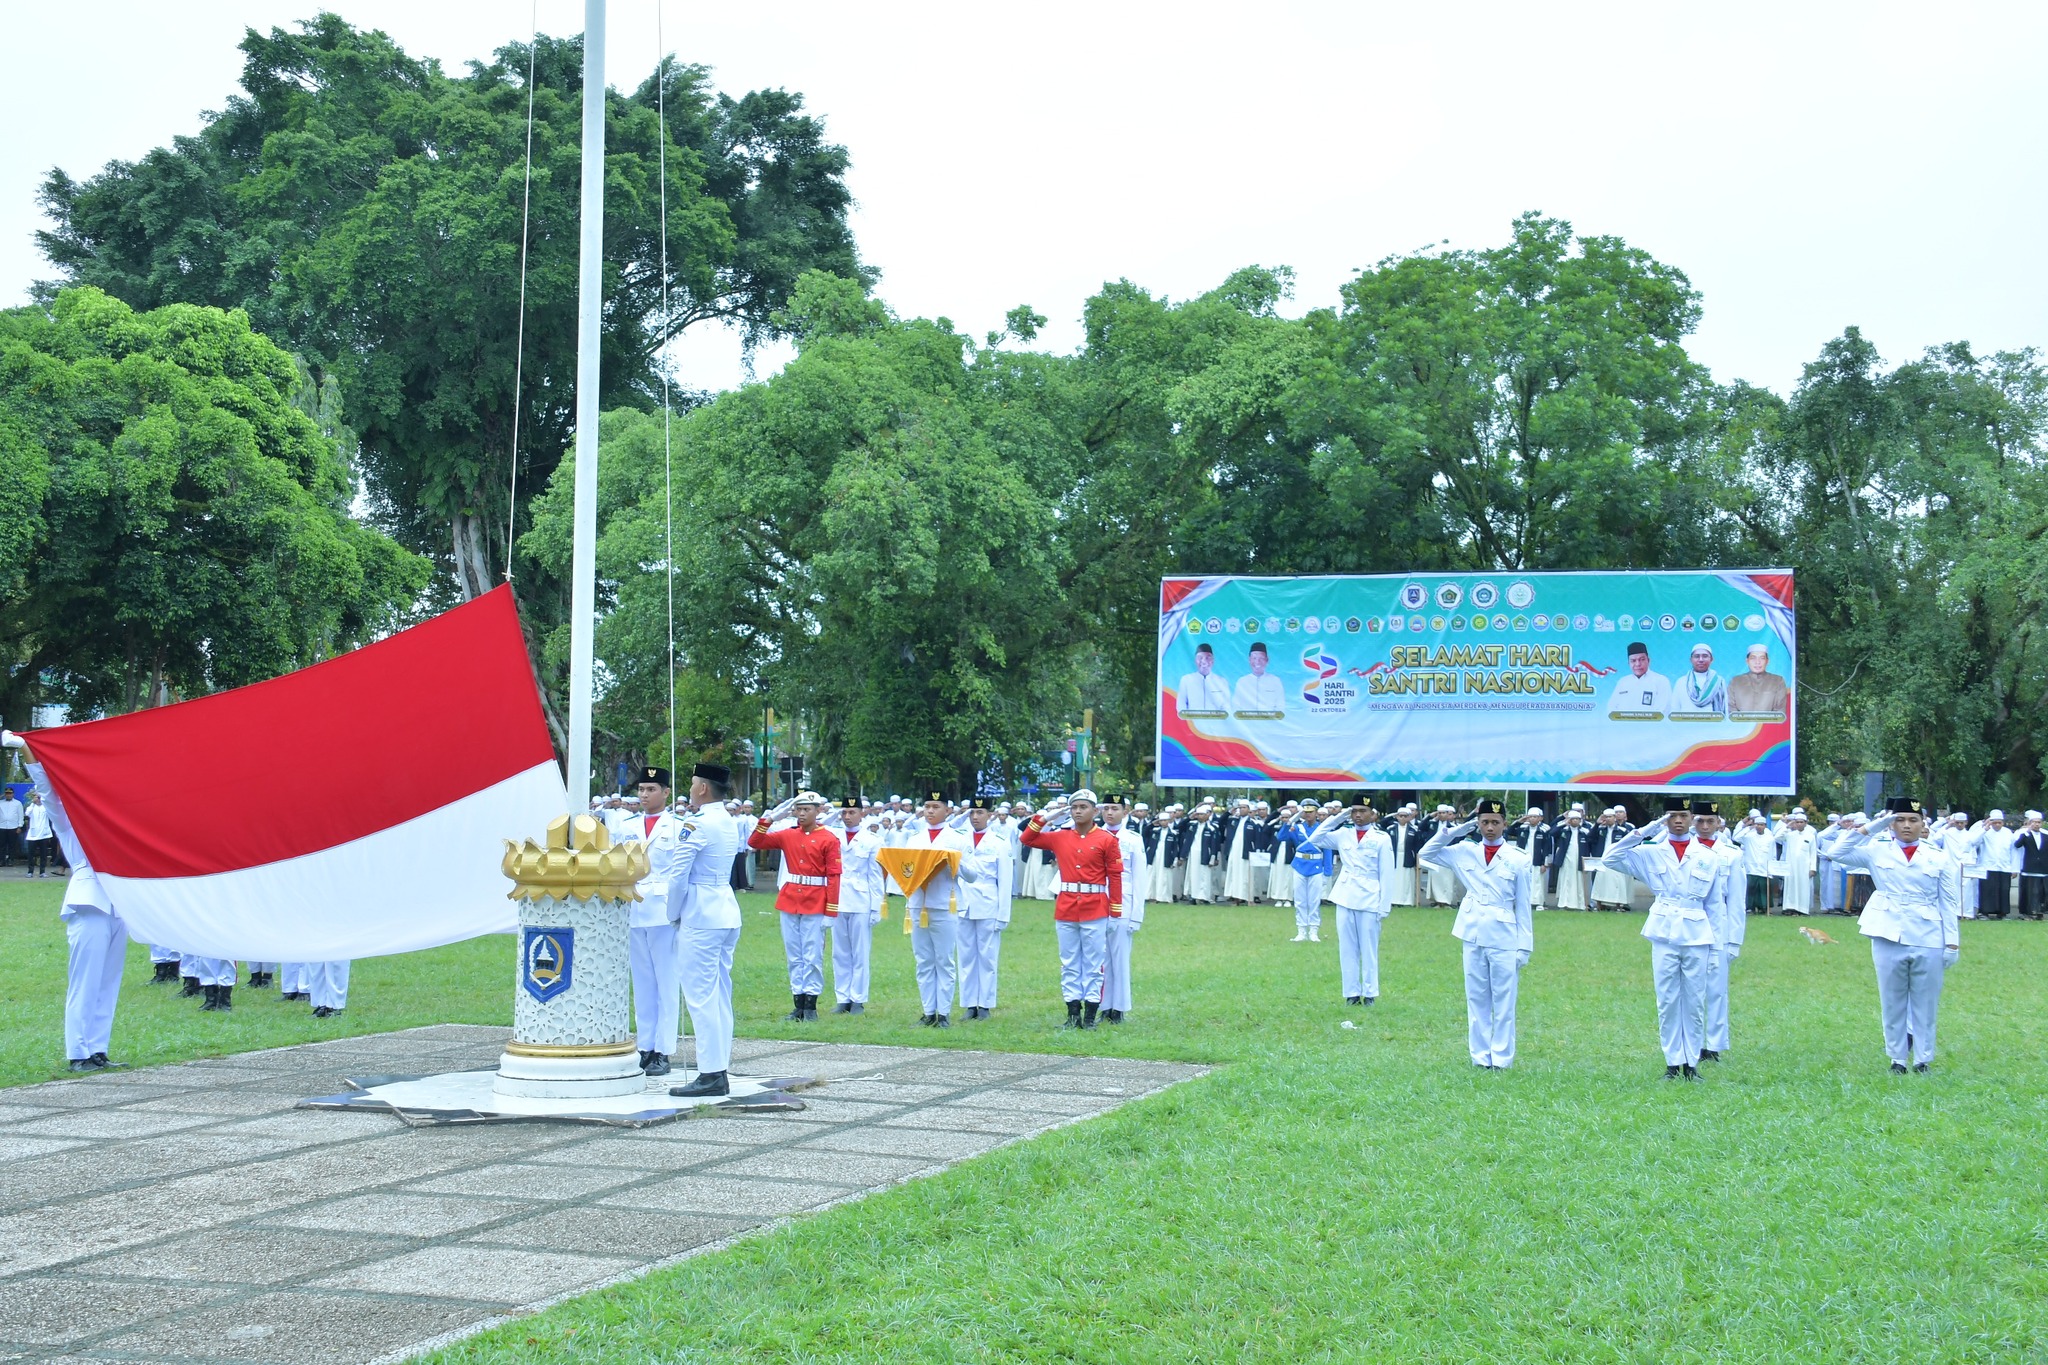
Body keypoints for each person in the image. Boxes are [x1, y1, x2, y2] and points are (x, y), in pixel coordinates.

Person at [7, 730, 126, 1071]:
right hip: (89, 904)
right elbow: (47, 790)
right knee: (86, 980)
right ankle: (78, 1052)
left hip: (119, 904)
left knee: (108, 980)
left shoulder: (118, 826)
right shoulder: (71, 822)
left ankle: (98, 1048)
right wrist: (29, 749)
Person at [1822, 798, 1960, 1073]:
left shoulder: (1938, 856)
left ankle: (1922, 1059)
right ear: (1891, 824)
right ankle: (1897, 1058)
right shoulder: (1876, 851)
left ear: (1923, 825)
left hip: (1928, 933)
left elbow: (1948, 901)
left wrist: (1952, 942)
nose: (1906, 825)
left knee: (1926, 1001)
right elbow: (1836, 852)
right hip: (1888, 932)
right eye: (1900, 819)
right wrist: (1874, 826)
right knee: (1892, 999)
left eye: (1913, 820)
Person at [1600, 798, 1727, 1080]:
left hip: (1697, 933)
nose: (1678, 821)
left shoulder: (1708, 857)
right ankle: (1672, 1062)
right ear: (1664, 820)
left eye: (1683, 815)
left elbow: (1716, 906)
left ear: (1692, 818)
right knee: (1667, 1000)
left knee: (1694, 1001)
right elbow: (1611, 858)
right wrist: (1646, 829)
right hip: (1664, 932)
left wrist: (1717, 947)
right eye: (1672, 816)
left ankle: (1691, 1063)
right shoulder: (1652, 852)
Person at [1421, 799, 1532, 1069]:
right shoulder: (1464, 851)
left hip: (1504, 934)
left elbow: (1524, 904)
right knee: (1477, 998)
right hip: (1471, 932)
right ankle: (1480, 1057)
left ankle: (1502, 1059)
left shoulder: (1518, 859)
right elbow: (1427, 852)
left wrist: (1524, 946)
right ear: (1477, 824)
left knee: (1504, 1002)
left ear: (1505, 824)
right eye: (1484, 822)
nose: (1490, 828)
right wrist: (1459, 829)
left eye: (1495, 822)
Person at [668, 762, 745, 1098]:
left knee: (701, 997)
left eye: (692, 783)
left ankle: (711, 1073)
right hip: (725, 908)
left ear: (702, 788)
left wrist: (673, 914)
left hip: (701, 913)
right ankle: (718, 1068)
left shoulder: (696, 823)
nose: (690, 788)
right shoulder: (727, 819)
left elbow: (678, 875)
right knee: (719, 995)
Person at [604, 766, 688, 1074]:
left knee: (666, 979)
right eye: (641, 789)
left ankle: (664, 1050)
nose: (644, 795)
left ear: (666, 792)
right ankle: (645, 1046)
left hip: (664, 909)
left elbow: (681, 872)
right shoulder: (626, 825)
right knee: (642, 982)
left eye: (651, 789)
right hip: (634, 908)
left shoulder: (678, 826)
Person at [1019, 790, 1124, 1029]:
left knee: (1093, 963)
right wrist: (1046, 817)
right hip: (1066, 907)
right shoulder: (1060, 836)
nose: (1077, 811)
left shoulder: (1107, 840)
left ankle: (1090, 1017)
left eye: (1083, 807)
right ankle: (1072, 1013)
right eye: (1074, 807)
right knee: (1068, 962)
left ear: (1095, 811)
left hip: (1095, 907)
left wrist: (1115, 912)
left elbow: (1115, 877)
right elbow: (1027, 839)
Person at [747, 790, 842, 1024]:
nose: (801, 814)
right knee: (794, 955)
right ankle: (797, 1004)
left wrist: (831, 910)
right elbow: (755, 842)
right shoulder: (788, 835)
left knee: (812, 954)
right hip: (791, 898)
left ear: (818, 811)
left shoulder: (828, 838)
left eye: (807, 809)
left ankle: (811, 1005)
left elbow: (834, 875)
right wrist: (769, 820)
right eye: (798, 809)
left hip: (816, 899)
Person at [1309, 797, 1398, 1005]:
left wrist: (1384, 905)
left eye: (1363, 811)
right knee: (1347, 948)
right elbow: (1315, 838)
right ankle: (1351, 993)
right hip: (1345, 895)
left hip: (1370, 897)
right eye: (1354, 811)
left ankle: (1370, 993)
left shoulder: (1381, 838)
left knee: (1368, 948)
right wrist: (1336, 817)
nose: (1358, 815)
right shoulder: (1343, 834)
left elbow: (1387, 873)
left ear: (1372, 814)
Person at [903, 792, 972, 1028]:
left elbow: (972, 875)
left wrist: (954, 861)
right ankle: (927, 1011)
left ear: (948, 810)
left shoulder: (957, 838)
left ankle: (943, 1013)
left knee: (943, 960)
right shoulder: (914, 839)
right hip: (918, 903)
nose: (930, 811)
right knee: (923, 960)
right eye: (927, 806)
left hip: (944, 903)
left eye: (936, 806)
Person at [1691, 805, 1745, 1061]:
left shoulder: (1731, 854)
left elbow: (1736, 900)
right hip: (1689, 919)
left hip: (1719, 923)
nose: (1704, 826)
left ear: (1718, 823)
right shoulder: (1684, 849)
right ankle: (1691, 1039)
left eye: (1709, 821)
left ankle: (1713, 1044)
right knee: (1690, 987)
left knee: (1716, 988)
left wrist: (1734, 940)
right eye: (1699, 821)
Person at [956, 796, 1015, 1020]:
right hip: (964, 904)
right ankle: (970, 1003)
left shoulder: (1000, 842)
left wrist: (1003, 915)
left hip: (989, 903)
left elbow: (1005, 881)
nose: (975, 817)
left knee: (987, 956)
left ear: (990, 815)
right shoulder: (961, 840)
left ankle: (986, 1004)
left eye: (980, 813)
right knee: (966, 956)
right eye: (972, 813)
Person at [828, 797, 887, 1014]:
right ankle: (842, 997)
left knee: (860, 952)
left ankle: (858, 999)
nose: (847, 816)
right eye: (844, 812)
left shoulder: (872, 839)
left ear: (862, 813)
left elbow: (876, 876)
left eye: (852, 812)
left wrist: (876, 906)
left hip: (861, 900)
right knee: (840, 952)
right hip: (838, 898)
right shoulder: (833, 835)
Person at [1098, 794, 1146, 1023]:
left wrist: (1136, 916)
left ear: (1125, 811)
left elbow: (1139, 879)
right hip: (1097, 901)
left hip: (1124, 903)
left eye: (1115, 808)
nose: (1109, 813)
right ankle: (1103, 1006)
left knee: (1120, 957)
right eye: (1106, 808)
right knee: (1099, 958)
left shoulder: (1133, 839)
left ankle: (1119, 1008)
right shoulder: (1094, 835)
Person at [1275, 810, 1331, 942]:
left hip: (1316, 866)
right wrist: (1288, 823)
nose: (1308, 814)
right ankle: (1301, 931)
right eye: (1305, 812)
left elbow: (1327, 850)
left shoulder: (1322, 828)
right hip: (1300, 865)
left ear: (1316, 813)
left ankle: (1313, 931)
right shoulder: (1297, 827)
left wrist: (1327, 872)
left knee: (1314, 900)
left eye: (1311, 811)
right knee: (1300, 900)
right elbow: (1281, 837)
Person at [1972, 810, 2018, 918]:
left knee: (2003, 890)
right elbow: (1974, 842)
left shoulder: (2008, 833)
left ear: (2003, 822)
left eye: (1999, 822)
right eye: (1994, 822)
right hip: (1988, 866)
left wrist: (2014, 868)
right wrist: (1984, 828)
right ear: (1990, 822)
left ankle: (2002, 913)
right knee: (1987, 890)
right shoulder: (1984, 832)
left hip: (2004, 866)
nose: (1997, 825)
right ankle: (1984, 912)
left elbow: (2013, 851)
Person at [1607, 642, 1672, 716]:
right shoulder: (1623, 682)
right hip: (1624, 726)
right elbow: (1611, 707)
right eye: (1633, 661)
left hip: (1652, 726)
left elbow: (1663, 709)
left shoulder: (1661, 680)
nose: (1638, 664)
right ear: (1628, 663)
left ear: (1648, 660)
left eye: (1642, 659)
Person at [1727, 643, 1791, 717]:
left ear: (1767, 661)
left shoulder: (1778, 681)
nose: (1757, 662)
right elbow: (1730, 708)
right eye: (1753, 658)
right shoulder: (1735, 681)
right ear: (1747, 661)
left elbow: (1780, 710)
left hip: (1769, 726)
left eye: (1762, 658)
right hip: (1741, 727)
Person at [1732, 809, 1776, 914]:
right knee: (1751, 888)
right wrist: (1748, 827)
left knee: (1764, 889)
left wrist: (1772, 866)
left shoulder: (1770, 837)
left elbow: (1773, 853)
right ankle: (1750, 907)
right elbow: (1736, 837)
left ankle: (1764, 908)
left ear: (1765, 825)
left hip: (1765, 867)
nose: (1759, 827)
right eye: (1757, 824)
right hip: (1751, 867)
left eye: (1761, 825)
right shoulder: (1748, 836)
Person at [1549, 807, 1593, 911]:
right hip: (1566, 860)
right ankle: (1564, 903)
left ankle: (1581, 904)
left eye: (1577, 819)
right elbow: (1551, 832)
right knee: (1566, 880)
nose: (1575, 821)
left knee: (1579, 882)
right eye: (1573, 819)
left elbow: (1592, 840)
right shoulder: (1563, 830)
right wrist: (1564, 822)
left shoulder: (1585, 831)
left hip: (1579, 860)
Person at [1667, 644, 1728, 717]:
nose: (1701, 660)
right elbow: (1674, 710)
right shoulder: (1681, 681)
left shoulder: (1719, 681)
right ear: (1691, 660)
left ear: (1711, 659)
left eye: (1705, 656)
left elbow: (1725, 709)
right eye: (1697, 656)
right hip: (1686, 726)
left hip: (1713, 726)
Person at [1776, 809, 1817, 914]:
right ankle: (1789, 908)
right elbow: (1777, 837)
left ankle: (1802, 909)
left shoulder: (1810, 836)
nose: (1799, 824)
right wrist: (1787, 826)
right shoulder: (1790, 835)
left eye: (1801, 822)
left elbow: (1813, 853)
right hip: (1791, 866)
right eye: (1797, 822)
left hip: (1804, 867)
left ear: (1806, 823)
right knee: (1790, 886)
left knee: (1803, 888)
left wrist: (1813, 868)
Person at [1383, 804, 1423, 907]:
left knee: (1406, 880)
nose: (1403, 818)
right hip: (1394, 857)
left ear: (1410, 817)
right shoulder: (1390, 829)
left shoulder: (1413, 829)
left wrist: (1417, 861)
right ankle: (1392, 900)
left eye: (1405, 816)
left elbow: (1417, 846)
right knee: (1394, 879)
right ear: (1396, 816)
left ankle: (1406, 901)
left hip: (1407, 857)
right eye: (1401, 816)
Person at [1232, 642, 1286, 715]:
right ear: (1249, 660)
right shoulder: (1242, 681)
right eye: (1254, 658)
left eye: (1261, 658)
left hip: (1270, 723)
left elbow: (1280, 706)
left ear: (1267, 660)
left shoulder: (1275, 681)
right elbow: (1236, 706)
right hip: (1247, 723)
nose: (1257, 662)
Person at [1177, 643, 1231, 714]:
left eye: (1208, 657)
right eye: (1200, 658)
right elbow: (1181, 705)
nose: (1204, 661)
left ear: (1213, 660)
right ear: (1195, 660)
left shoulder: (1222, 681)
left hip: (1216, 722)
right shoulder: (1186, 680)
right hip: (1192, 722)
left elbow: (1226, 706)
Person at [2016, 811, 2048, 920]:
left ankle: (2039, 911)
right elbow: (2017, 845)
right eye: (2034, 822)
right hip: (2030, 868)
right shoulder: (2025, 835)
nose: (2036, 824)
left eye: (2038, 822)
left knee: (2042, 892)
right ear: (2030, 823)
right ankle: (2029, 912)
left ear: (2041, 823)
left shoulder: (2045, 835)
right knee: (2031, 891)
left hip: (2043, 868)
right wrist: (2026, 832)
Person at [23, 789, 56, 877]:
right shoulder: (31, 806)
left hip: (44, 834)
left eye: (39, 797)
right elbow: (27, 813)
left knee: (43, 854)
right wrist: (33, 803)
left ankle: (42, 871)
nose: (38, 799)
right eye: (36, 797)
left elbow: (52, 811)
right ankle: (30, 871)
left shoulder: (45, 807)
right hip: (33, 835)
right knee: (31, 854)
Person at [0, 782, 22, 867]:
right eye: (7, 794)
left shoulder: (17, 803)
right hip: (2, 826)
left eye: (10, 793)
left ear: (13, 794)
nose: (8, 795)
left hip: (13, 826)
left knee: (12, 845)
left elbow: (20, 815)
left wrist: (19, 826)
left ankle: (11, 860)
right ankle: (2, 860)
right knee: (2, 845)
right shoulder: (1, 802)